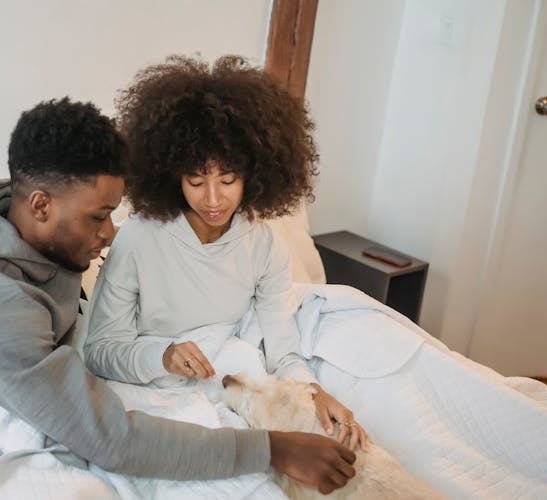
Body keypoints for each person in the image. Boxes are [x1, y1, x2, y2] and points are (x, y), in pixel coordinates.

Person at [0, 97, 356, 493]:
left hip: (39, 392)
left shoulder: (31, 228)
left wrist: (304, 389)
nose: (110, 233)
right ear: (41, 205)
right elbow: (110, 437)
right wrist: (273, 449)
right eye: (98, 216)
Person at [84, 55, 370, 454]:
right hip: (149, 387)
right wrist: (162, 356)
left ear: (254, 174)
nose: (214, 199)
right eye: (196, 181)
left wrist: (314, 393)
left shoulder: (263, 244)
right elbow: (98, 351)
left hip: (227, 384)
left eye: (229, 180)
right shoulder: (140, 239)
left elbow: (282, 349)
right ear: (171, 175)